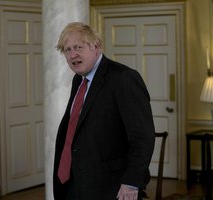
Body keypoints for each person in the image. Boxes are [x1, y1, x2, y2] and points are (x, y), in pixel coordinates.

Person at [53, 22, 155, 200]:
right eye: (67, 50)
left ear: (97, 47)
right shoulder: (79, 80)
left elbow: (143, 138)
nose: (72, 55)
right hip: (75, 183)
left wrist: (131, 183)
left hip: (111, 188)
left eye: (78, 47)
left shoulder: (124, 78)